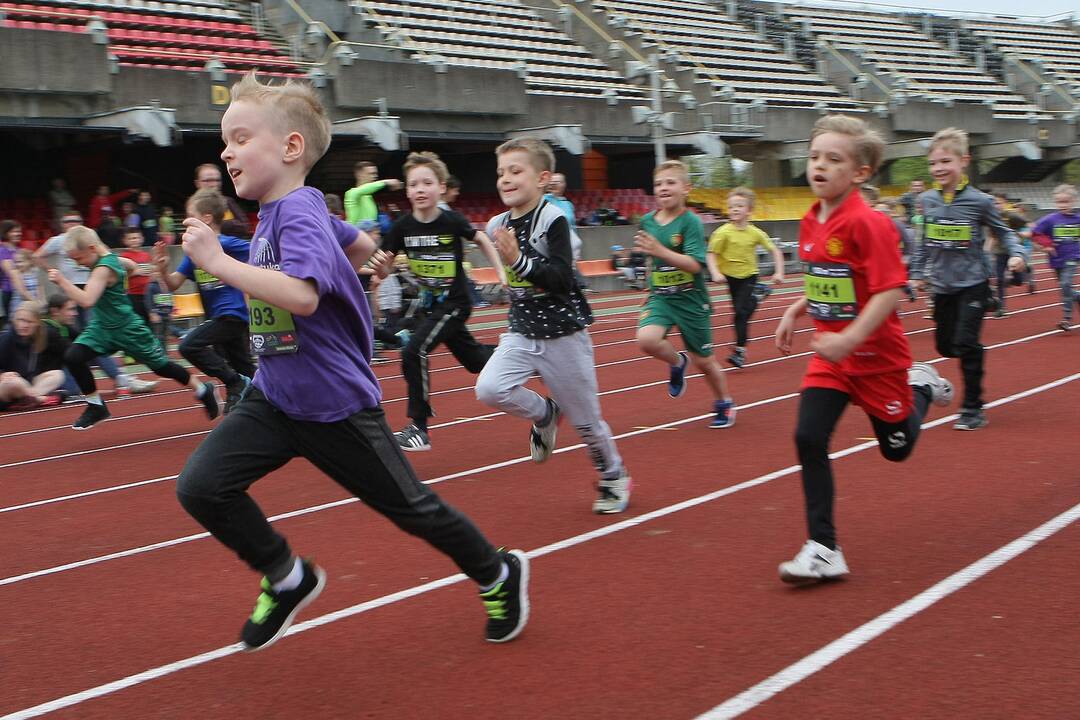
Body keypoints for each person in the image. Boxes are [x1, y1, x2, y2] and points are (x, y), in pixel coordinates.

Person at [175, 73, 528, 652]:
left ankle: (497, 572)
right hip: (275, 395)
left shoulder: (295, 214)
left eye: (239, 138)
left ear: (291, 148)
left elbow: (302, 295)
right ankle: (288, 578)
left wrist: (218, 262)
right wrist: (370, 263)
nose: (225, 151)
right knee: (201, 487)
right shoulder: (286, 210)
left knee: (414, 509)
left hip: (334, 406)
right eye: (224, 140)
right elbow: (358, 243)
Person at [775, 115, 954, 584]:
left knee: (896, 450)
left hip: (877, 359)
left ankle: (921, 383)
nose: (819, 166)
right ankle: (824, 548)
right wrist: (797, 308)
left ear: (860, 172)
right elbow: (830, 279)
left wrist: (852, 338)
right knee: (808, 438)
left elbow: (890, 290)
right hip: (831, 359)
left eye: (834, 159)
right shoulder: (810, 220)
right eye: (815, 157)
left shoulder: (869, 224)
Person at [476, 137, 631, 514]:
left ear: (542, 178)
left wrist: (519, 262)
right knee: (490, 389)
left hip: (563, 334)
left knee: (587, 424)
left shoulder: (554, 219)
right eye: (501, 173)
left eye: (516, 171)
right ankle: (545, 414)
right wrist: (505, 272)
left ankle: (613, 476)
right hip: (522, 330)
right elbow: (501, 261)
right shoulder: (498, 223)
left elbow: (563, 277)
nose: (506, 179)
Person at [381, 151, 503, 451]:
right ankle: (520, 357)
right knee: (475, 361)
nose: (420, 190)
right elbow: (383, 262)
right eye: (413, 185)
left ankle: (419, 428)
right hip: (430, 307)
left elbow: (482, 239)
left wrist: (501, 273)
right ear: (407, 191)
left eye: (427, 183)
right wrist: (381, 270)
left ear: (441, 188)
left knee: (413, 351)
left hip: (455, 304)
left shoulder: (451, 221)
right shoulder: (401, 228)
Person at [909, 127, 1027, 431]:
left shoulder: (981, 202)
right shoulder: (927, 200)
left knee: (966, 343)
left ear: (964, 161)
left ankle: (973, 408)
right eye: (934, 163)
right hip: (942, 286)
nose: (939, 169)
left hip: (973, 283)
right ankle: (953, 363)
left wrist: (1017, 254)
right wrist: (917, 274)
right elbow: (923, 242)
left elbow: (1004, 233)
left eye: (946, 161)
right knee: (946, 347)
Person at [49, 226, 219, 429]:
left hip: (127, 328)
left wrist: (62, 281)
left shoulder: (103, 269)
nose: (78, 264)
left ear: (92, 248)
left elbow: (87, 300)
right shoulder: (114, 259)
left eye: (78, 259)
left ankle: (202, 389)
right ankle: (96, 405)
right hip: (102, 327)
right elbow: (131, 266)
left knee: (162, 367)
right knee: (73, 356)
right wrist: (134, 275)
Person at [635, 161, 736, 428]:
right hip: (662, 296)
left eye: (670, 182)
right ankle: (677, 361)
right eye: (658, 184)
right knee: (646, 340)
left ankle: (723, 401)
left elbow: (694, 265)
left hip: (690, 298)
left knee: (704, 361)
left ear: (686, 189)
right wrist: (649, 285)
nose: (663, 188)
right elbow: (650, 258)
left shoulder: (690, 221)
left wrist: (662, 251)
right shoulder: (647, 221)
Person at [154, 188, 256, 413]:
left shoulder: (226, 243)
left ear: (207, 218)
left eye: (190, 216)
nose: (186, 222)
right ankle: (273, 405)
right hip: (218, 317)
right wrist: (162, 269)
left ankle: (234, 383)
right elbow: (173, 284)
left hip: (232, 314)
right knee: (247, 370)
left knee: (189, 345)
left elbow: (258, 250)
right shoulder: (193, 253)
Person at [706, 186, 785, 368]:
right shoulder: (723, 232)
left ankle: (740, 352)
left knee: (740, 313)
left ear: (749, 210)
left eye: (739, 206)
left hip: (749, 277)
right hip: (730, 278)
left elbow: (774, 250)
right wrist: (715, 272)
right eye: (731, 206)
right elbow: (711, 253)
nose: (734, 209)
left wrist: (779, 271)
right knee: (739, 316)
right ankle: (758, 295)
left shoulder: (754, 232)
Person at [43, 293, 158, 398]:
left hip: (64, 372)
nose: (75, 313)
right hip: (54, 381)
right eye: (70, 309)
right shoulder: (49, 331)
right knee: (90, 348)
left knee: (93, 347)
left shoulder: (63, 327)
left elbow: (84, 338)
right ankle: (122, 379)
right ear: (55, 311)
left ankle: (122, 378)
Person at [0, 302, 67, 410]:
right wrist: (2, 375)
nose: (24, 325)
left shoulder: (35, 340)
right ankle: (40, 399)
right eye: (21, 320)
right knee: (14, 382)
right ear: (15, 321)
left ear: (37, 323)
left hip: (26, 384)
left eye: (29, 322)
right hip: (6, 387)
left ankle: (29, 399)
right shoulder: (6, 338)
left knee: (58, 374)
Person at [1031, 184, 1080, 331]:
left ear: (1074, 201)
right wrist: (1047, 245)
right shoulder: (1050, 219)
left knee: (1065, 284)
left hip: (1072, 257)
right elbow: (1036, 233)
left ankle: (1066, 319)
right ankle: (1077, 296)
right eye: (1059, 202)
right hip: (1056, 258)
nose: (1063, 205)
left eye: (1066, 202)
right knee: (1065, 288)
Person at [195, 163, 251, 238]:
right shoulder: (194, 204)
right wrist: (231, 224)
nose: (214, 184)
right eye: (208, 180)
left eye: (217, 180)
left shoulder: (228, 201)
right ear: (197, 183)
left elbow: (245, 226)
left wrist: (216, 223)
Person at [345, 161, 402, 226]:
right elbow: (362, 190)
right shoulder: (351, 193)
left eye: (375, 174)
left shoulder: (369, 197)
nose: (375, 176)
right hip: (354, 235)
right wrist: (386, 181)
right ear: (359, 175)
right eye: (371, 174)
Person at [119, 227, 154, 328]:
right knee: (136, 322)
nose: (134, 240)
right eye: (131, 238)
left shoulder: (146, 255)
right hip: (133, 295)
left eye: (136, 237)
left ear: (142, 239)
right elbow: (120, 276)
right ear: (125, 241)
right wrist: (135, 273)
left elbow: (151, 271)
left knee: (149, 322)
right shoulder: (124, 256)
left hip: (147, 294)